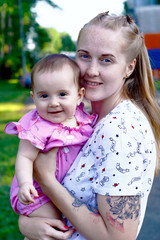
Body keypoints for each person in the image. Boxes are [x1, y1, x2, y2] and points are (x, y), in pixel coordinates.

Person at [18, 12, 160, 240]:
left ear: (129, 68)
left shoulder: (120, 129)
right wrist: (27, 223)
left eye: (106, 60)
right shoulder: (87, 119)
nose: (91, 70)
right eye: (84, 56)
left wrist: (47, 181)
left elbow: (117, 237)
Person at [5, 54, 97, 225]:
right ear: (34, 98)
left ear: (79, 96)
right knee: (54, 223)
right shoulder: (36, 127)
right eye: (44, 96)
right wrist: (25, 184)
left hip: (61, 190)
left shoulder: (82, 120)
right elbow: (25, 157)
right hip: (36, 193)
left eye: (62, 94)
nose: (53, 103)